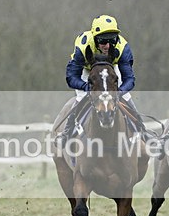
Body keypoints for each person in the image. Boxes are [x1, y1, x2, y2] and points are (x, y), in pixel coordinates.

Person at [56, 14, 147, 145]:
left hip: (110, 68)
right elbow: (72, 77)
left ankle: (143, 132)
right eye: (103, 41)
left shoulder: (122, 47)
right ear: (95, 39)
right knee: (81, 96)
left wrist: (119, 92)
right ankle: (67, 133)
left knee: (126, 97)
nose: (108, 46)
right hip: (88, 70)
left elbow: (129, 79)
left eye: (112, 40)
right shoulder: (83, 46)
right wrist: (86, 87)